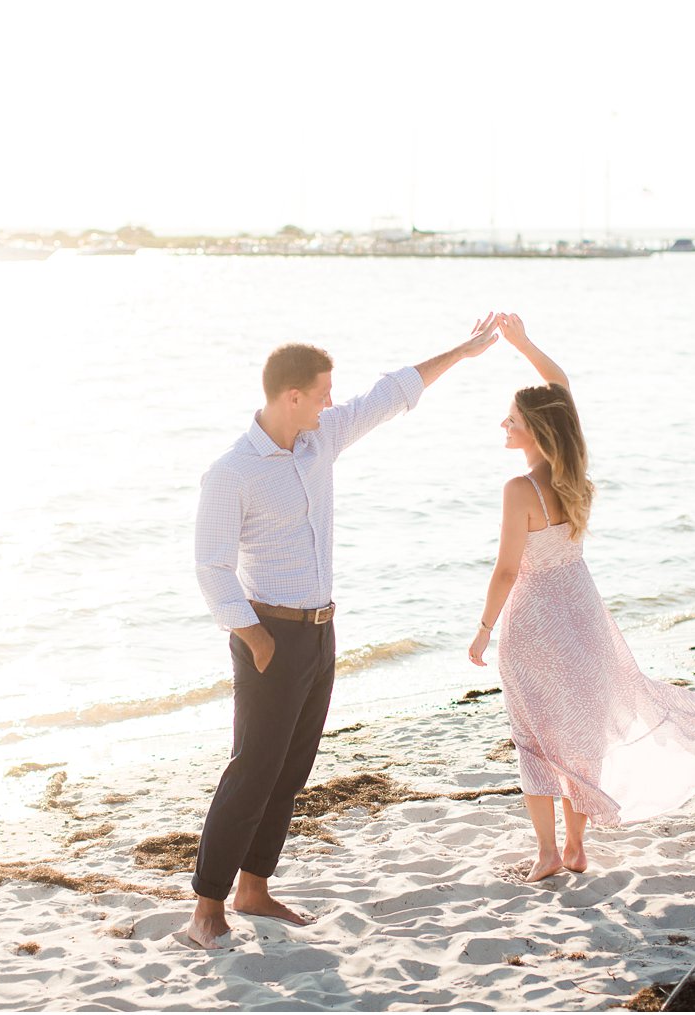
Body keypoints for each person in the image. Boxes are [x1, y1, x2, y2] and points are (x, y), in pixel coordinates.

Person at [189, 314, 501, 948]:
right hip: (268, 635)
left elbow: (389, 394)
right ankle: (205, 909)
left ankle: (254, 887)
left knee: (290, 769)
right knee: (252, 770)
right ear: (290, 395)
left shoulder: (319, 439)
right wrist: (255, 639)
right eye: (323, 391)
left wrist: (462, 354)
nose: (333, 401)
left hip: (322, 632)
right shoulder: (232, 472)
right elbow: (211, 566)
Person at [468, 313, 695, 882]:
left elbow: (506, 569)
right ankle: (575, 849)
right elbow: (560, 388)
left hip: (535, 622)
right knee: (578, 735)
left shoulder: (519, 489)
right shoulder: (574, 472)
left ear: (535, 432)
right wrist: (523, 345)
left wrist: (484, 628)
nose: (503, 424)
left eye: (512, 420)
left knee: (535, 739)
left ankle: (547, 854)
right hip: (584, 613)